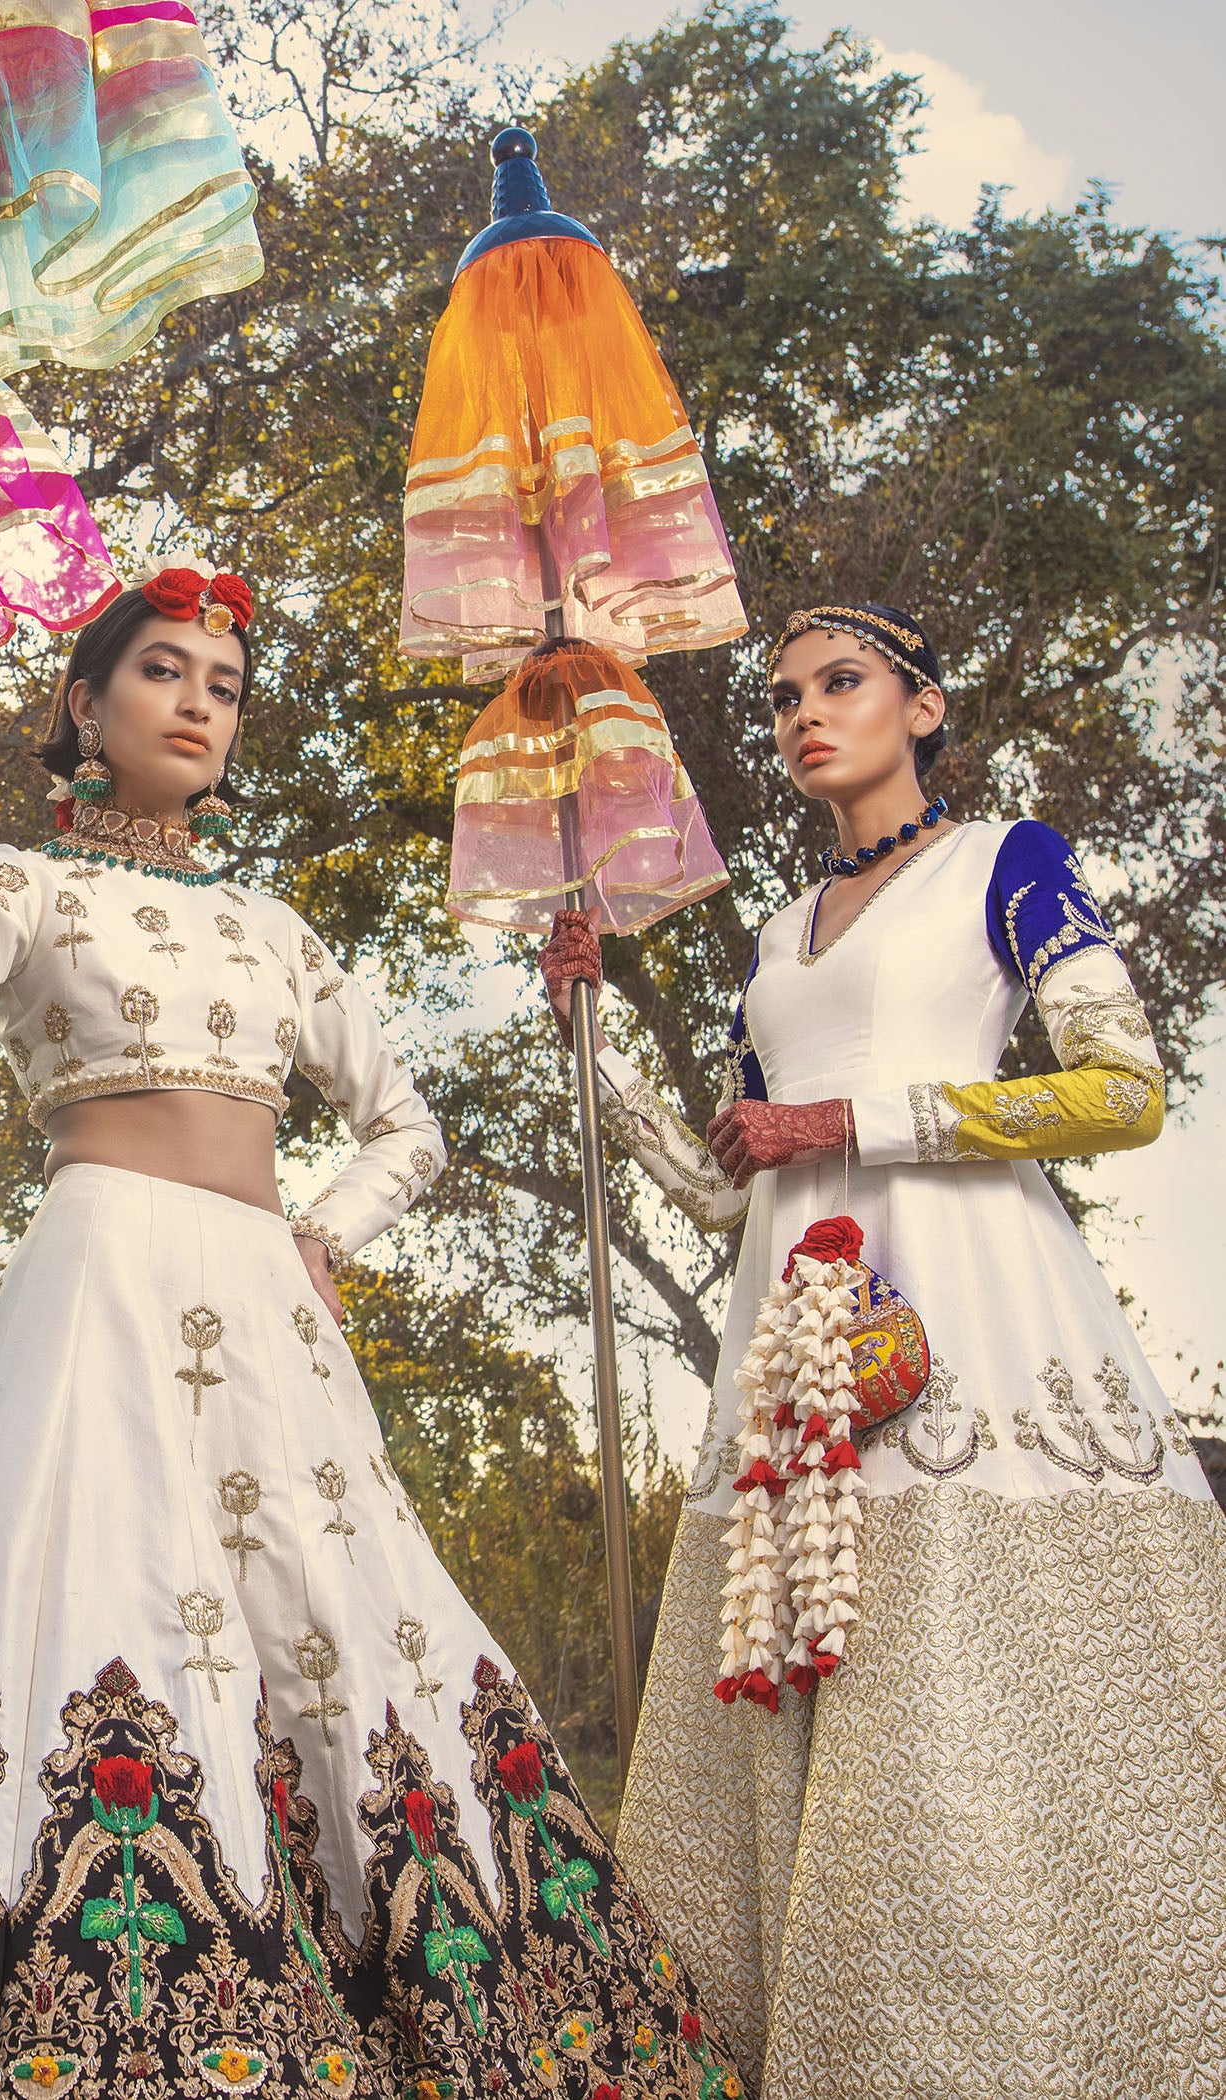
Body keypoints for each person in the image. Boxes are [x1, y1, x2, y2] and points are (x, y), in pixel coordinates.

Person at [0, 572, 742, 2099]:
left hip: (267, 1309)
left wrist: (322, 1232)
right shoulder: (26, 885)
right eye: (163, 670)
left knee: (345, 1627)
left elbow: (410, 1128)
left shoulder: (276, 933)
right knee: (84, 1602)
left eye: (226, 683)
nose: (201, 701)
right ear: (84, 704)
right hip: (98, 1294)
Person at [539, 604, 1226, 2099]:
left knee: (959, 1656)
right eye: (785, 695)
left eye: (841, 684)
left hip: (976, 1311)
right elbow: (734, 1184)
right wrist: (593, 1042)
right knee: (793, 1658)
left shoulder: (1008, 864)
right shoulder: (777, 940)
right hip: (788, 1335)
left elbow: (1122, 1093)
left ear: (922, 705)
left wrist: (865, 1120)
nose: (804, 715)